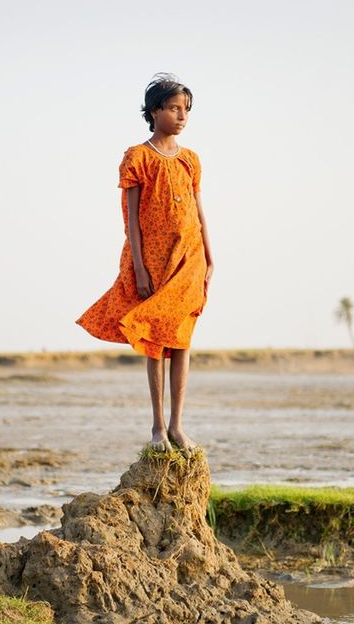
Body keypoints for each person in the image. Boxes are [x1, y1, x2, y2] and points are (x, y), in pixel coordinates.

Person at [76, 73, 213, 455]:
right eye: (172, 108)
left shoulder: (191, 160)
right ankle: (157, 427)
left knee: (182, 341)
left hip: (190, 259)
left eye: (185, 109)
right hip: (152, 259)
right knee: (154, 341)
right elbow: (131, 217)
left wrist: (210, 256)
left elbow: (199, 210)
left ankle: (178, 426)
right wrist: (138, 267)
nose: (181, 116)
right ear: (154, 112)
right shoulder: (137, 157)